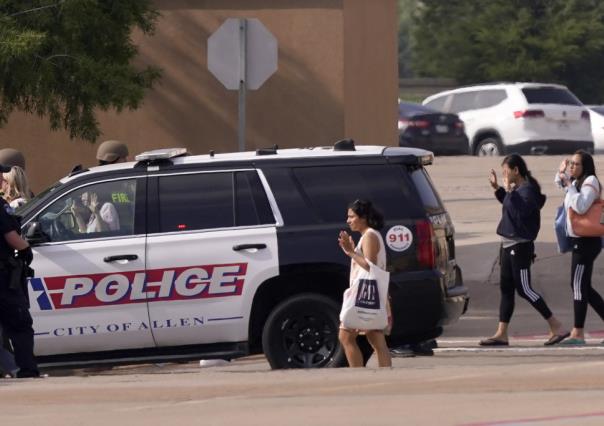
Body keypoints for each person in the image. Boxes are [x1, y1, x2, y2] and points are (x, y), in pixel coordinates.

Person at [480, 154, 568, 347]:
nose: (504, 175)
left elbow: (520, 211)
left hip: (519, 247)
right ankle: (501, 333)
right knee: (506, 289)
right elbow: (510, 206)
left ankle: (556, 326)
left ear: (516, 171)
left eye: (506, 171)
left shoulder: (527, 190)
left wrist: (509, 192)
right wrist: (499, 189)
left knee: (525, 289)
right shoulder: (518, 189)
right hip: (507, 246)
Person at [555, 150, 604, 345]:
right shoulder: (576, 183)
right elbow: (559, 183)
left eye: (576, 164)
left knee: (577, 286)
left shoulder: (590, 182)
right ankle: (579, 331)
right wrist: (563, 175)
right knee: (583, 287)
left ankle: (578, 332)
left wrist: (569, 185)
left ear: (585, 167)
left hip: (587, 242)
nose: (572, 167)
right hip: (580, 241)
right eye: (571, 164)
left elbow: (581, 206)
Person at [338, 199, 392, 368]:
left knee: (346, 336)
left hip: (367, 294)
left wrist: (351, 252)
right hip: (372, 294)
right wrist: (352, 252)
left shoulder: (369, 236)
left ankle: (358, 374)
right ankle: (386, 373)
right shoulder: (368, 236)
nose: (348, 220)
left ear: (363, 218)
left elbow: (370, 266)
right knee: (375, 337)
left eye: (351, 216)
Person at [0, 163, 39, 378]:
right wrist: (26, 249)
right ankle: (26, 370)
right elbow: (11, 237)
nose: (3, 180)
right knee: (20, 324)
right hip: (3, 277)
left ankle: (9, 369)